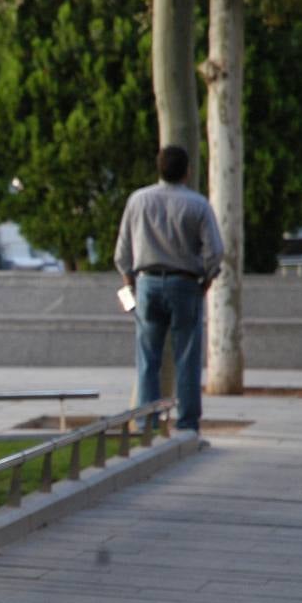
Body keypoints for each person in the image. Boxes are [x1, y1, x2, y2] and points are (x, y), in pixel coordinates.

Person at [114, 145, 224, 432]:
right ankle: (187, 425)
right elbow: (215, 253)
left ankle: (145, 423)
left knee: (147, 358)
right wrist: (206, 282)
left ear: (159, 168)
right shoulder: (197, 204)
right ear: (187, 171)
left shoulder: (138, 201)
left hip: (147, 283)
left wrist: (130, 285)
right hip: (185, 283)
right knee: (186, 357)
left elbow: (122, 253)